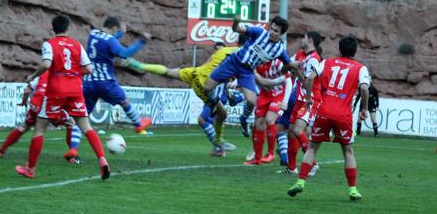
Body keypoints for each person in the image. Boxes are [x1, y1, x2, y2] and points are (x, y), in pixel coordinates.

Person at [120, 35, 277, 156]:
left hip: (196, 71)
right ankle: (218, 141)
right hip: (204, 84)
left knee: (168, 71)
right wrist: (280, 80)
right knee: (222, 113)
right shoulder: (245, 58)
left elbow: (210, 63)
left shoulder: (224, 50)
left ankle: (139, 65)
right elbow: (258, 81)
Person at [16, 15, 110, 180]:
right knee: (87, 127)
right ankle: (102, 161)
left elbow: (46, 64)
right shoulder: (77, 45)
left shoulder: (49, 44)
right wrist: (72, 74)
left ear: (53, 29)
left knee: (39, 129)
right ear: (68, 28)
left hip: (56, 90)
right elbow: (89, 69)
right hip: (75, 90)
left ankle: (30, 169)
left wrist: (33, 75)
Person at [287, 35, 370, 201]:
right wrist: (364, 108)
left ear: (339, 49)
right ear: (355, 51)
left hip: (324, 112)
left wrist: (309, 98)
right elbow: (364, 88)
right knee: (348, 151)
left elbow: (310, 77)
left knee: (312, 148)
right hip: (343, 115)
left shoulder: (326, 62)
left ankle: (301, 181)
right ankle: (352, 190)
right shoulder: (361, 68)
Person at [67, 17, 152, 162]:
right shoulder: (110, 40)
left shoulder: (93, 34)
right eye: (117, 30)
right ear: (114, 28)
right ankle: (138, 125)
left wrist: (120, 34)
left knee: (81, 117)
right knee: (125, 101)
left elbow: (107, 42)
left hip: (88, 82)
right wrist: (141, 41)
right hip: (105, 82)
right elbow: (123, 53)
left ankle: (73, 150)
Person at [204, 16, 299, 131]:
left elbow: (288, 64)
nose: (272, 32)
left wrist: (297, 66)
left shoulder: (279, 50)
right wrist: (236, 22)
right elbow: (237, 29)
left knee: (251, 101)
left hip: (247, 71)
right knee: (206, 87)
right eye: (272, 29)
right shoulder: (260, 32)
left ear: (281, 34)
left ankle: (243, 119)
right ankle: (216, 103)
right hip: (234, 62)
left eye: (276, 31)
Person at [283, 31, 323, 175]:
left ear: (310, 40)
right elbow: (287, 65)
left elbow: (307, 81)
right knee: (291, 133)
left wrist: (295, 68)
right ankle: (292, 168)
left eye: (304, 37)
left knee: (298, 130)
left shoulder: (314, 59)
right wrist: (290, 66)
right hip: (299, 99)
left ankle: (313, 163)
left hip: (310, 99)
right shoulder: (301, 54)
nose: (301, 40)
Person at [244, 58, 293, 165]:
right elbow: (248, 74)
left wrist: (285, 101)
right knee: (259, 124)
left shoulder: (278, 63)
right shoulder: (257, 62)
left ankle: (270, 153)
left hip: (278, 94)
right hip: (264, 95)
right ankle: (257, 158)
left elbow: (288, 81)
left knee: (269, 119)